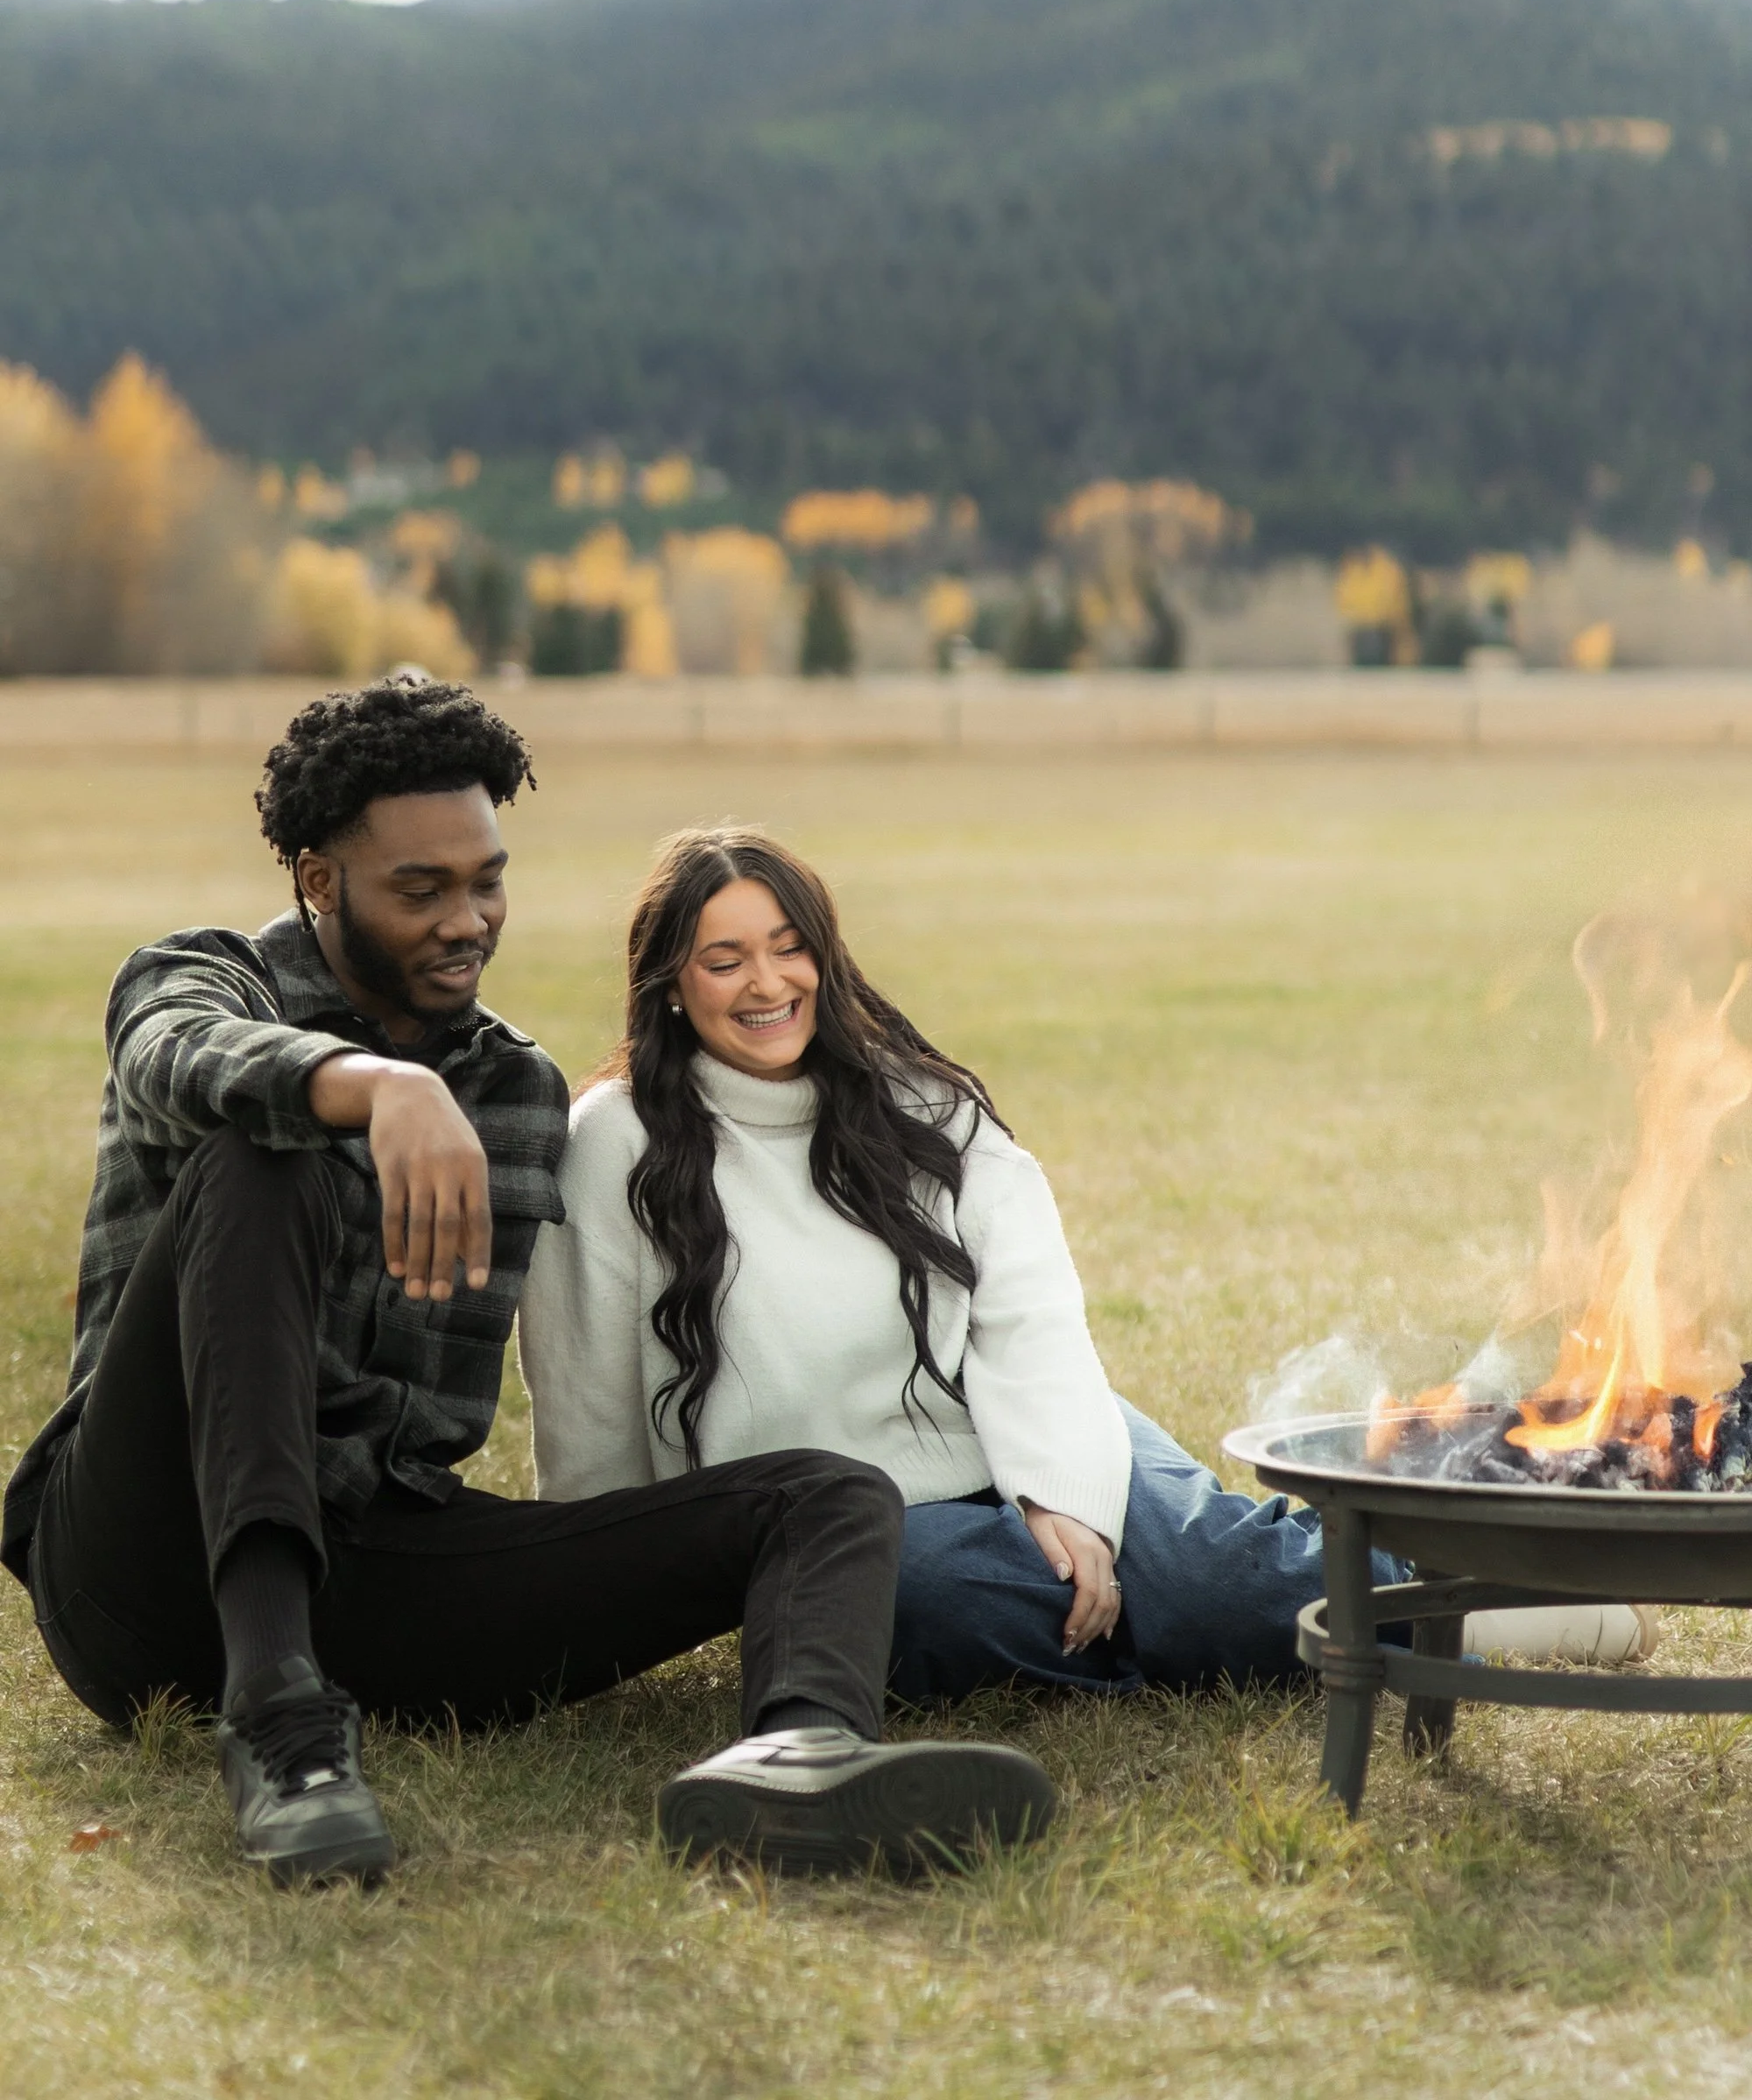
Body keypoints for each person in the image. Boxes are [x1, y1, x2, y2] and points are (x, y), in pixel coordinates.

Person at [2, 685, 1054, 1886]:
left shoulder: (514, 1090)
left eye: (486, 882)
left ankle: (800, 1759)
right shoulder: (203, 976)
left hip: (368, 1570)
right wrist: (377, 1087)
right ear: (319, 880)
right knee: (261, 1162)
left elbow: (436, 1431)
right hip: (134, 1568)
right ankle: (282, 1727)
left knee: (827, 1493)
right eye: (421, 890)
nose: (467, 921)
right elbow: (175, 1053)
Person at [519, 826, 1657, 1704]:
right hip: (852, 1524)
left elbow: (1029, 1316)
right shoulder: (615, 1144)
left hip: (1029, 1424)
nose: (768, 985)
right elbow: (587, 1391)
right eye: (725, 960)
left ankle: (1478, 1600)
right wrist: (608, 1601)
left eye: (788, 947)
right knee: (910, 1619)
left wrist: (1060, 1494)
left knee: (1203, 1577)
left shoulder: (916, 1108)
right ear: (672, 984)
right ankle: (1299, 1622)